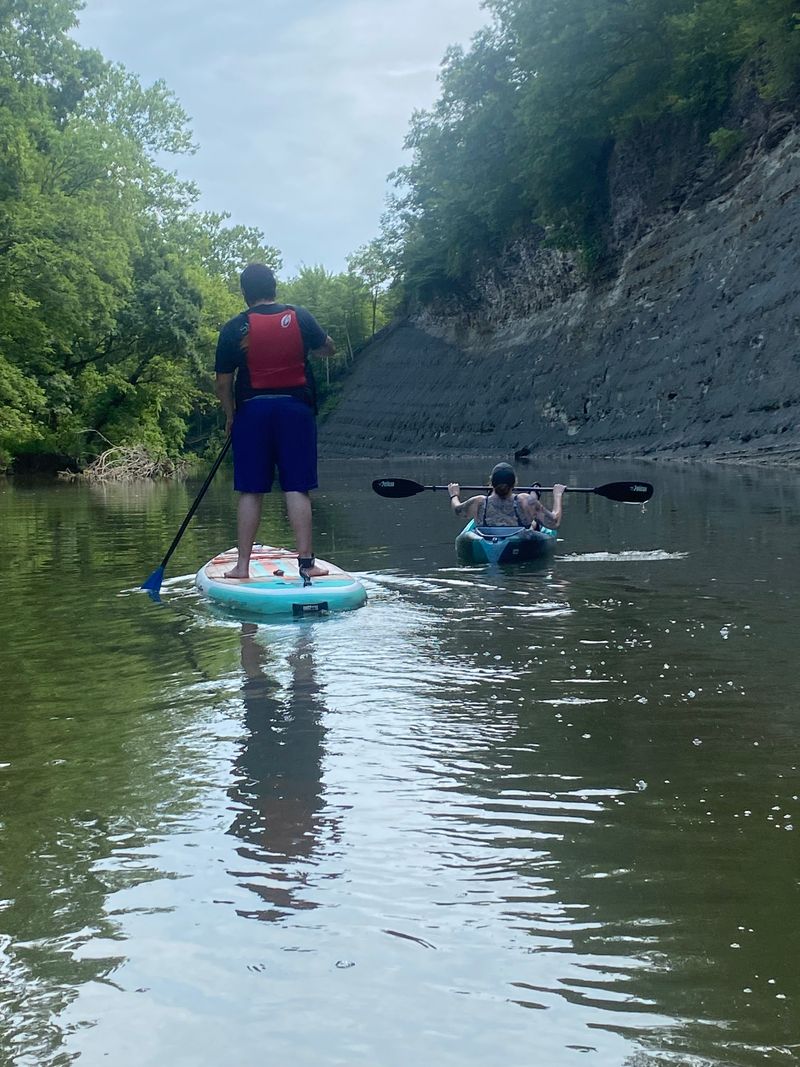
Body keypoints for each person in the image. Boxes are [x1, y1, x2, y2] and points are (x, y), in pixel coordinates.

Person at [214, 263, 335, 582]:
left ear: (244, 292)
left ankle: (242, 566)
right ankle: (306, 563)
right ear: (274, 287)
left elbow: (223, 384)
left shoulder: (234, 328)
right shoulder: (300, 316)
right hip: (296, 411)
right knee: (297, 486)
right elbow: (328, 348)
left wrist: (230, 416)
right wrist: (316, 346)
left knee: (251, 490)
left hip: (251, 413)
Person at [447, 462, 566, 531]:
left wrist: (454, 495)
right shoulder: (525, 500)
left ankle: (534, 492)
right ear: (514, 483)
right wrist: (557, 495)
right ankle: (534, 492)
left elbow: (458, 510)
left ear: (491, 483)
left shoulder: (478, 502)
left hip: (488, 535)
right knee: (533, 520)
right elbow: (554, 522)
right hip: (519, 536)